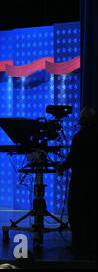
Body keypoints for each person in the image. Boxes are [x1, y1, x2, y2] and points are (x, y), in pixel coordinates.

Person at [56, 106, 97, 260]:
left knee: (77, 215)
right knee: (92, 214)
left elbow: (72, 158)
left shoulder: (79, 137)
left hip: (80, 182)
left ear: (82, 121)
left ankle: (79, 247)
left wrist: (60, 168)